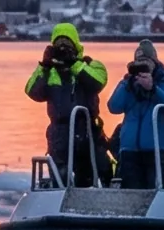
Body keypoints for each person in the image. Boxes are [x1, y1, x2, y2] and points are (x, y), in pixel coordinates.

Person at [25, 22, 110, 186]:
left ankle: (85, 200)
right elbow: (32, 92)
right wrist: (44, 67)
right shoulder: (49, 71)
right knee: (58, 176)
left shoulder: (91, 65)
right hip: (59, 131)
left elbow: (97, 83)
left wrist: (74, 64)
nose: (63, 48)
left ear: (75, 44)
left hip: (86, 130)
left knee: (86, 175)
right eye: (59, 44)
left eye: (67, 43)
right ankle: (56, 199)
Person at [106, 41, 164, 188]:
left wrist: (153, 89)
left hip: (158, 150)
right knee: (131, 193)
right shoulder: (128, 85)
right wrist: (126, 84)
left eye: (146, 62)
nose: (142, 66)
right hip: (129, 150)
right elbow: (113, 107)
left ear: (155, 62)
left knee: (157, 189)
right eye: (139, 62)